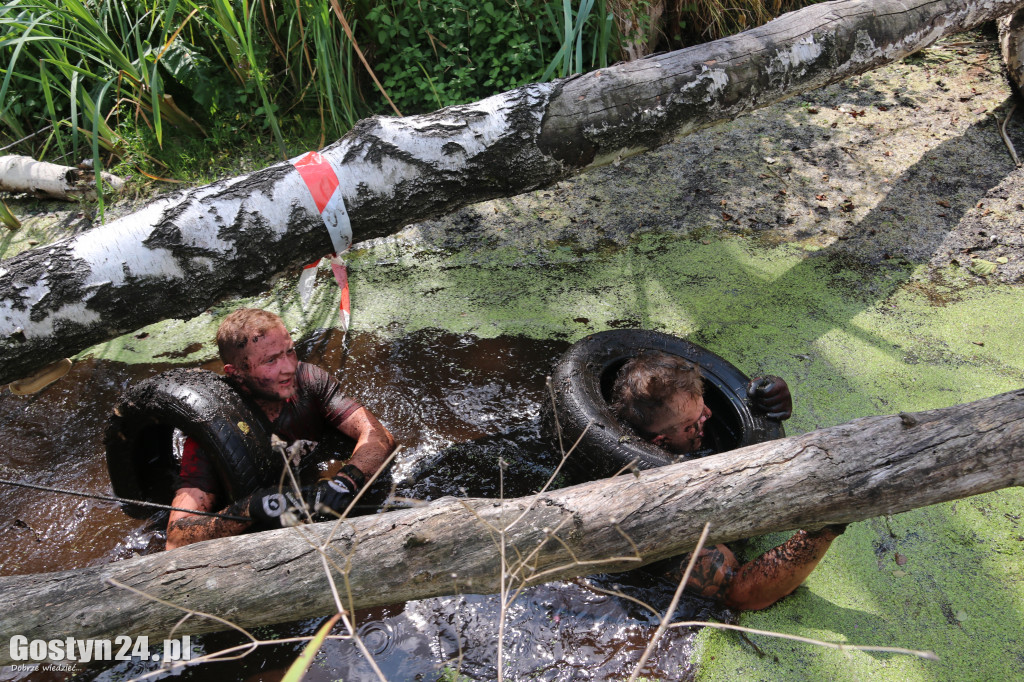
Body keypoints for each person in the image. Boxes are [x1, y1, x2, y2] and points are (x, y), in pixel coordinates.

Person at [611, 350, 846, 611]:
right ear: (660, 442)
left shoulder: (697, 425)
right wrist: (823, 530)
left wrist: (767, 400)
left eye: (703, 406)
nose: (708, 416)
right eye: (693, 423)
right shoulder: (653, 510)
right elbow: (738, 592)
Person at [165, 309, 396, 549]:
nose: (288, 367)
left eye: (289, 351)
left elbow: (377, 434)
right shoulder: (216, 431)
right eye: (271, 361)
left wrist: (346, 481)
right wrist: (251, 508)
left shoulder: (308, 381)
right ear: (237, 374)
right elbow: (176, 538)